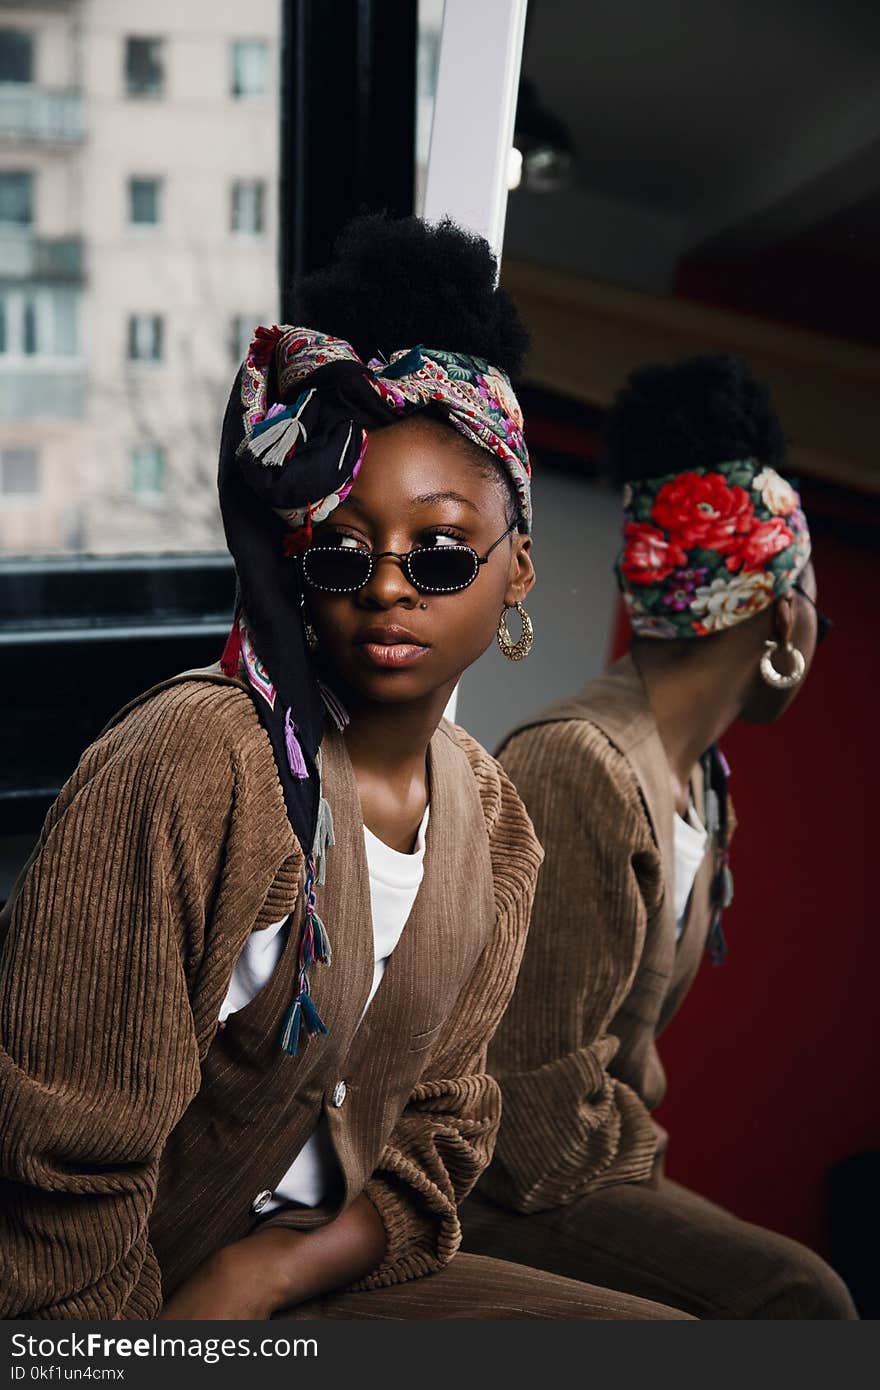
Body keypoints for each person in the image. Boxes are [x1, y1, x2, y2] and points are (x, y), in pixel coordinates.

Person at [0, 217, 689, 1321]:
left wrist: (269, 1270)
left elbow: (438, 1140)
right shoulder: (190, 766)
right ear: (296, 565)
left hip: (306, 1269)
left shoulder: (494, 824)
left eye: (443, 550)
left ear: (517, 570)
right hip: (112, 1300)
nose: (388, 589)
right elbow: (54, 1176)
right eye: (341, 550)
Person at [461, 354, 857, 1319]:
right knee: (800, 1298)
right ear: (776, 608)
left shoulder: (699, 794)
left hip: (583, 1160)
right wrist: (649, 1152)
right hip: (495, 1184)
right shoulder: (582, 767)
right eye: (812, 598)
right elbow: (528, 1114)